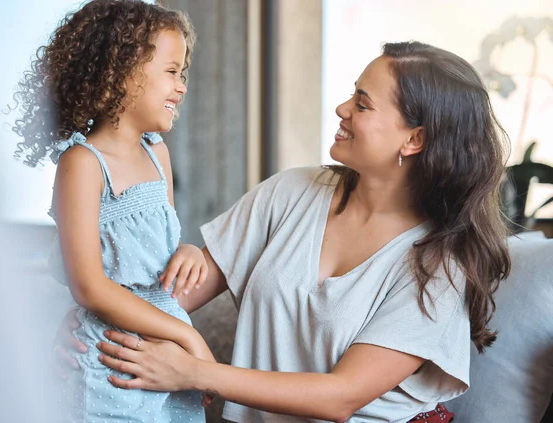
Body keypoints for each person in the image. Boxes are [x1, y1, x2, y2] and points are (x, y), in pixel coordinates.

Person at [56, 41, 511, 423]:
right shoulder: (292, 191)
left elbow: (341, 397)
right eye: (352, 94)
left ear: (413, 140)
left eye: (363, 104)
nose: (342, 108)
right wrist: (90, 329)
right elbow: (169, 300)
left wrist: (195, 371)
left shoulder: (438, 263)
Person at [13, 1, 214, 421]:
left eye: (184, 74)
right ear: (123, 70)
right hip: (111, 367)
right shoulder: (83, 164)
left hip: (165, 357)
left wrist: (188, 251)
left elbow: (159, 259)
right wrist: (190, 341)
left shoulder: (158, 156)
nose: (182, 86)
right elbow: (90, 287)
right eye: (171, 72)